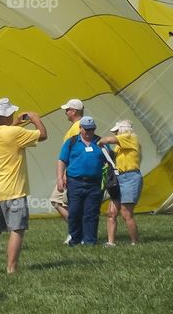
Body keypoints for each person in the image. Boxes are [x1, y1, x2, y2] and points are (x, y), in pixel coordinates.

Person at [0, 98, 47, 274]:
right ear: (8, 114)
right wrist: (35, 119)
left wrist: (16, 124)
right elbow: (42, 135)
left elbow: (10, 135)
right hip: (14, 190)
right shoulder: (14, 133)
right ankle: (11, 268)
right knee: (17, 230)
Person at [57, 116, 107, 246]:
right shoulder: (71, 142)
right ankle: (75, 239)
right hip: (75, 182)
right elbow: (62, 160)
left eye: (92, 129)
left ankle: (90, 240)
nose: (89, 132)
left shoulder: (100, 142)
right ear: (80, 129)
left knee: (91, 213)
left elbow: (109, 160)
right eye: (86, 129)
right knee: (74, 212)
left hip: (95, 183)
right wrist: (59, 178)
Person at [98, 120, 142, 246]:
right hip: (118, 177)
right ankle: (111, 242)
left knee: (126, 212)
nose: (116, 134)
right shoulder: (120, 145)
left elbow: (106, 140)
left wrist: (99, 142)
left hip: (130, 177)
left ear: (123, 130)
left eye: (117, 131)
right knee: (111, 212)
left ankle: (135, 241)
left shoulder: (131, 138)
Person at [51, 98, 83, 244]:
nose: (65, 112)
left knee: (56, 200)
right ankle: (76, 231)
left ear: (74, 111)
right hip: (72, 171)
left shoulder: (77, 127)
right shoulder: (77, 126)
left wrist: (64, 174)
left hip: (71, 171)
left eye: (67, 110)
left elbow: (74, 152)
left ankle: (75, 231)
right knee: (67, 203)